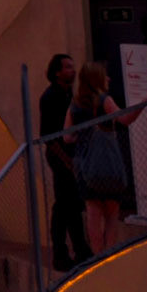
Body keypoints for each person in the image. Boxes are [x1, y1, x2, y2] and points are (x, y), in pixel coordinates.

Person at [68, 62, 147, 255]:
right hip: (108, 164)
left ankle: (96, 257)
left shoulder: (75, 104)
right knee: (111, 213)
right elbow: (125, 119)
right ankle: (109, 256)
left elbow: (67, 136)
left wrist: (84, 135)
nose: (108, 79)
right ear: (97, 78)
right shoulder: (104, 100)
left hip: (86, 166)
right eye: (105, 75)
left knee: (93, 213)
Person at [39, 54, 88, 270]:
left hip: (71, 154)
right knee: (64, 205)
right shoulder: (50, 97)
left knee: (71, 204)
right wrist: (66, 160)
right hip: (60, 155)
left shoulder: (69, 94)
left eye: (72, 66)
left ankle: (79, 249)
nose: (72, 70)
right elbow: (48, 136)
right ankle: (62, 252)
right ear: (57, 71)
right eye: (68, 67)